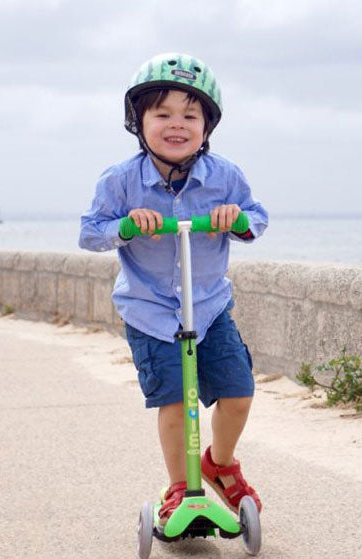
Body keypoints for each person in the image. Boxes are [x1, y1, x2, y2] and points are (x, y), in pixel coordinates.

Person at [79, 52, 268, 526]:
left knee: (239, 392)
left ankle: (219, 463)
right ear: (139, 122)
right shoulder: (120, 181)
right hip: (151, 310)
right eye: (162, 113)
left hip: (208, 306)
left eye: (190, 114)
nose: (176, 124)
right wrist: (125, 226)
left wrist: (237, 220)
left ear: (207, 125)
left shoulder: (225, 176)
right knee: (173, 402)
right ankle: (182, 488)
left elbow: (256, 218)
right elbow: (90, 232)